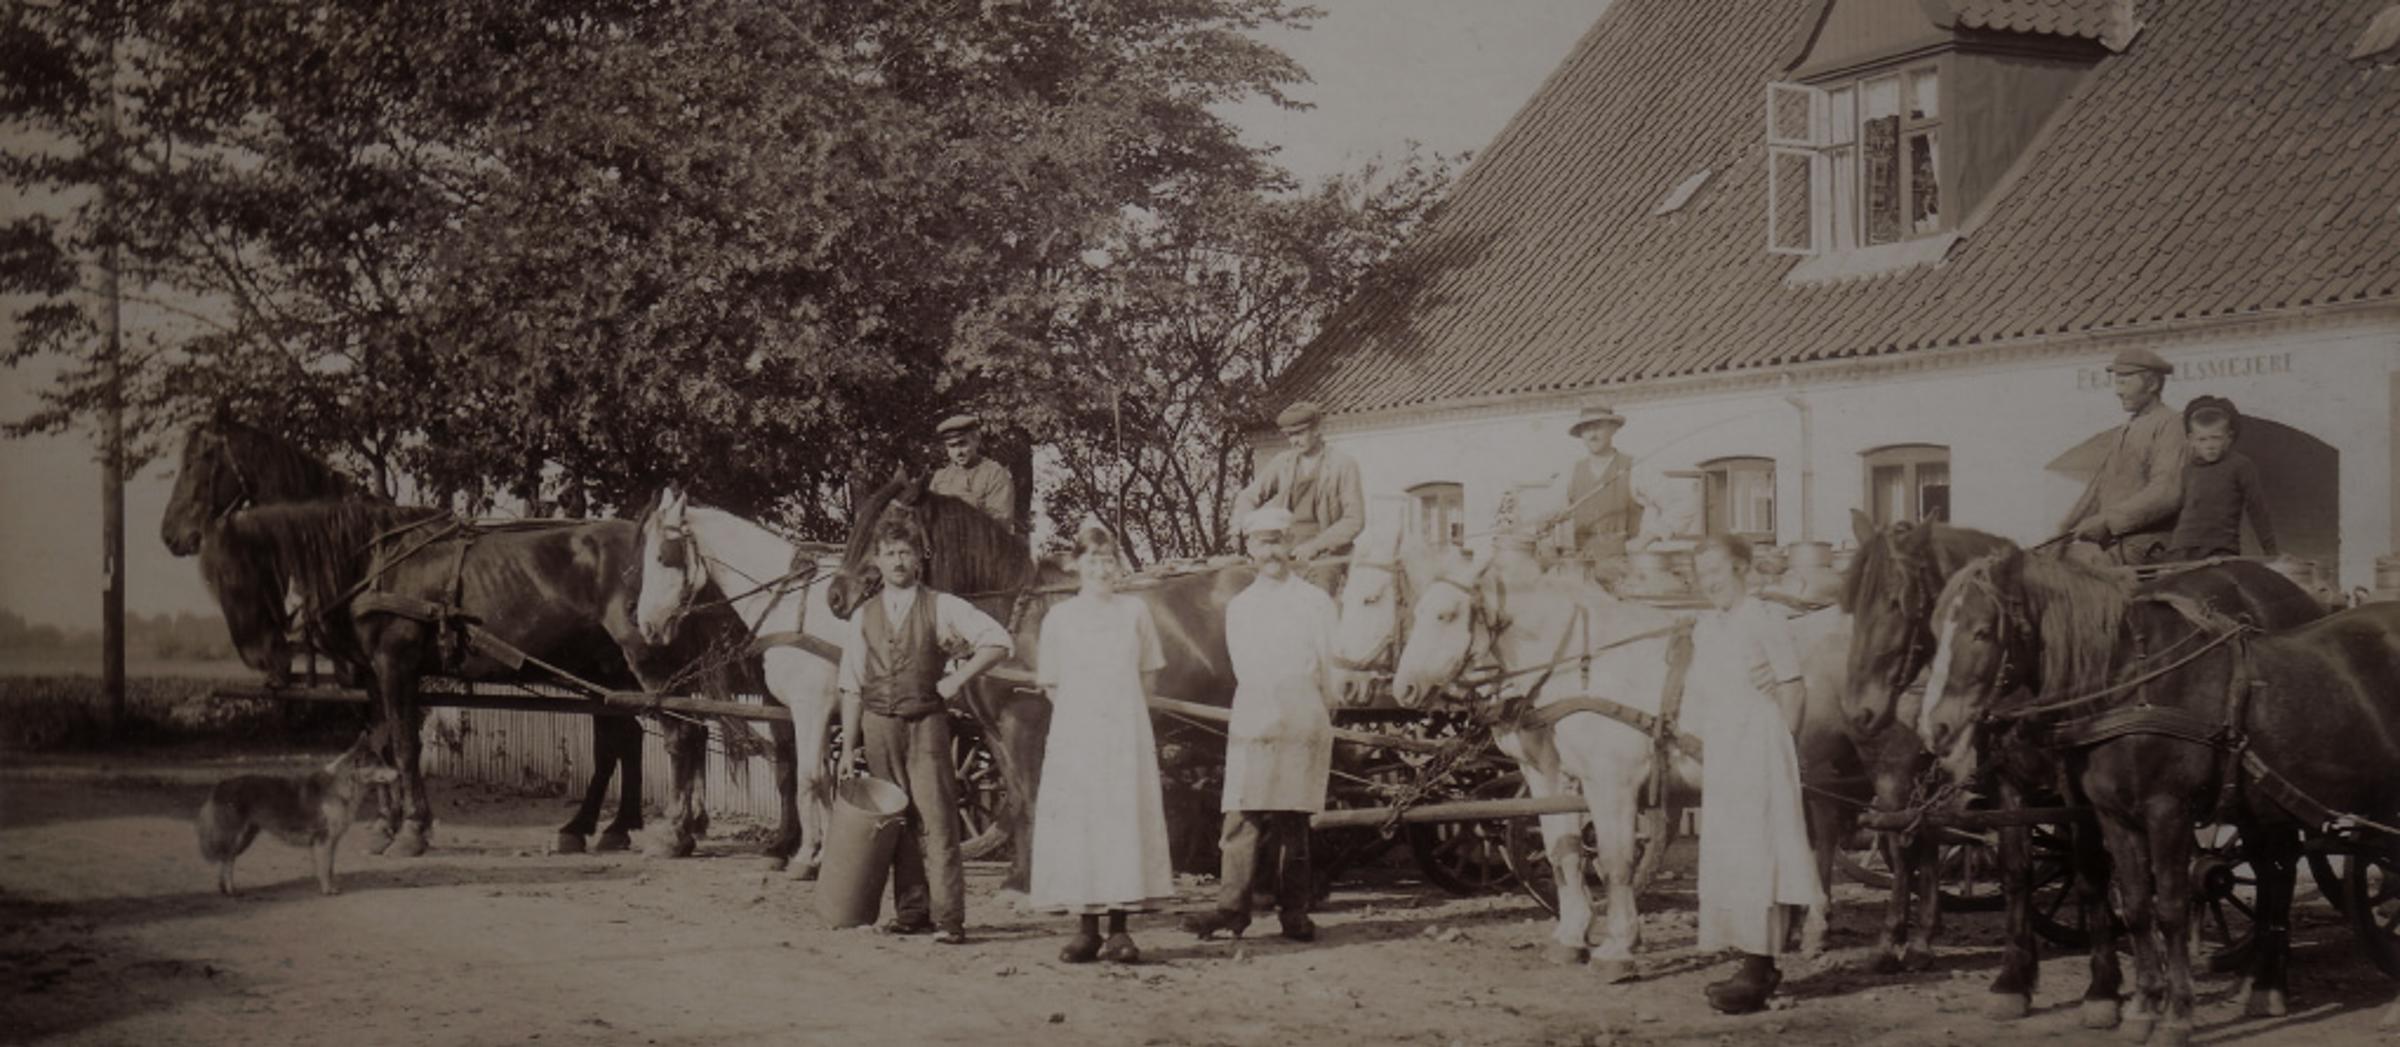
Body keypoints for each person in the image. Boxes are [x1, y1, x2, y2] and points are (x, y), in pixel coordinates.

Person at [835, 515, 1014, 945]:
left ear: (920, 559)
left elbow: (999, 640)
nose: (898, 560)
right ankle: (911, 912)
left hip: (927, 725)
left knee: (937, 819)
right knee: (896, 822)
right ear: (877, 560)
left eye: (906, 552)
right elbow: (851, 684)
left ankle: (949, 918)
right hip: (878, 726)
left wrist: (958, 678)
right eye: (891, 553)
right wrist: (847, 747)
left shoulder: (943, 605)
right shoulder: (863, 617)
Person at [1183, 507, 1344, 943]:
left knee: (1294, 818)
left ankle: (1294, 913)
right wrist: (1263, 710)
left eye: (1278, 540)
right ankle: (1231, 910)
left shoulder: (1314, 602)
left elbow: (1331, 666)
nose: (1271, 551)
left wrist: (1322, 710)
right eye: (1261, 542)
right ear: (1249, 549)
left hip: (1302, 710)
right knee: (1242, 814)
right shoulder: (1241, 607)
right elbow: (1244, 665)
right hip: (1256, 709)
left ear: (1290, 544)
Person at [1031, 520, 1177, 964]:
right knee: (1082, 825)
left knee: (1121, 822)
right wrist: (1084, 718)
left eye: (1108, 558)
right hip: (1077, 737)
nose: (1101, 567)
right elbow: (1052, 682)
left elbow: (1149, 672)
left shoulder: (1134, 611)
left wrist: (1124, 714)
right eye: (1092, 559)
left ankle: (1119, 931)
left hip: (1124, 734)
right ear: (1076, 565)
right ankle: (1085, 930)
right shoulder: (1059, 617)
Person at [1688, 533, 1822, 1015]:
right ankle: (1752, 961)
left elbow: (1793, 687)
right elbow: (1703, 695)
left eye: (1718, 572)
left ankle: (1759, 968)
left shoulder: (1764, 619)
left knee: (1760, 849)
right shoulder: (1708, 628)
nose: (1710, 583)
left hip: (1762, 748)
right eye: (1703, 575)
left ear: (1742, 569)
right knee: (1732, 851)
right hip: (1726, 749)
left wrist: (1780, 752)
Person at [2061, 348, 2186, 568]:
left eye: (2124, 382)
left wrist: (2108, 520)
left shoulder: (2170, 423)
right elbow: (2097, 489)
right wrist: (2063, 531)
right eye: (2117, 383)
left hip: (2145, 547)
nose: (2117, 391)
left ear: (2152, 385)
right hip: (2115, 544)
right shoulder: (2128, 428)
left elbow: (2166, 492)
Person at [1229, 401, 1364, 592]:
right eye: (1290, 435)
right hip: (1285, 549)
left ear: (1317, 429)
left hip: (1326, 555)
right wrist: (1239, 527)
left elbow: (1354, 520)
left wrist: (1315, 546)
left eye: (1300, 433)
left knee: (1318, 599)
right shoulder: (1283, 462)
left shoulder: (1343, 465)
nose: (1294, 441)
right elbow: (1248, 496)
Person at [1533, 404, 1644, 586]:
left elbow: (1680, 503)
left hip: (1621, 567)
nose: (1592, 434)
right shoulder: (1572, 471)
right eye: (1586, 428)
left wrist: (1646, 539)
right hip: (1581, 565)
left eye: (1599, 426)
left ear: (1613, 429)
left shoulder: (1633, 467)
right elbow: (1554, 509)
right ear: (1581, 435)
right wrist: (1546, 520)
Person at [2167, 395, 2277, 561]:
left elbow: (2257, 509)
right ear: (2191, 440)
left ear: (2229, 437)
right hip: (2181, 547)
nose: (2209, 445)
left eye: (2216, 438)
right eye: (2202, 439)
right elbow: (2180, 513)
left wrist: (2271, 553)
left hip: (2220, 548)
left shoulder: (2240, 465)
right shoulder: (2188, 470)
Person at [928, 414, 1017, 529]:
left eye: (962, 444)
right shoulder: (940, 477)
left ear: (976, 440)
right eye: (952, 446)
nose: (958, 452)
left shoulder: (994, 473)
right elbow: (929, 517)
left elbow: (1000, 521)